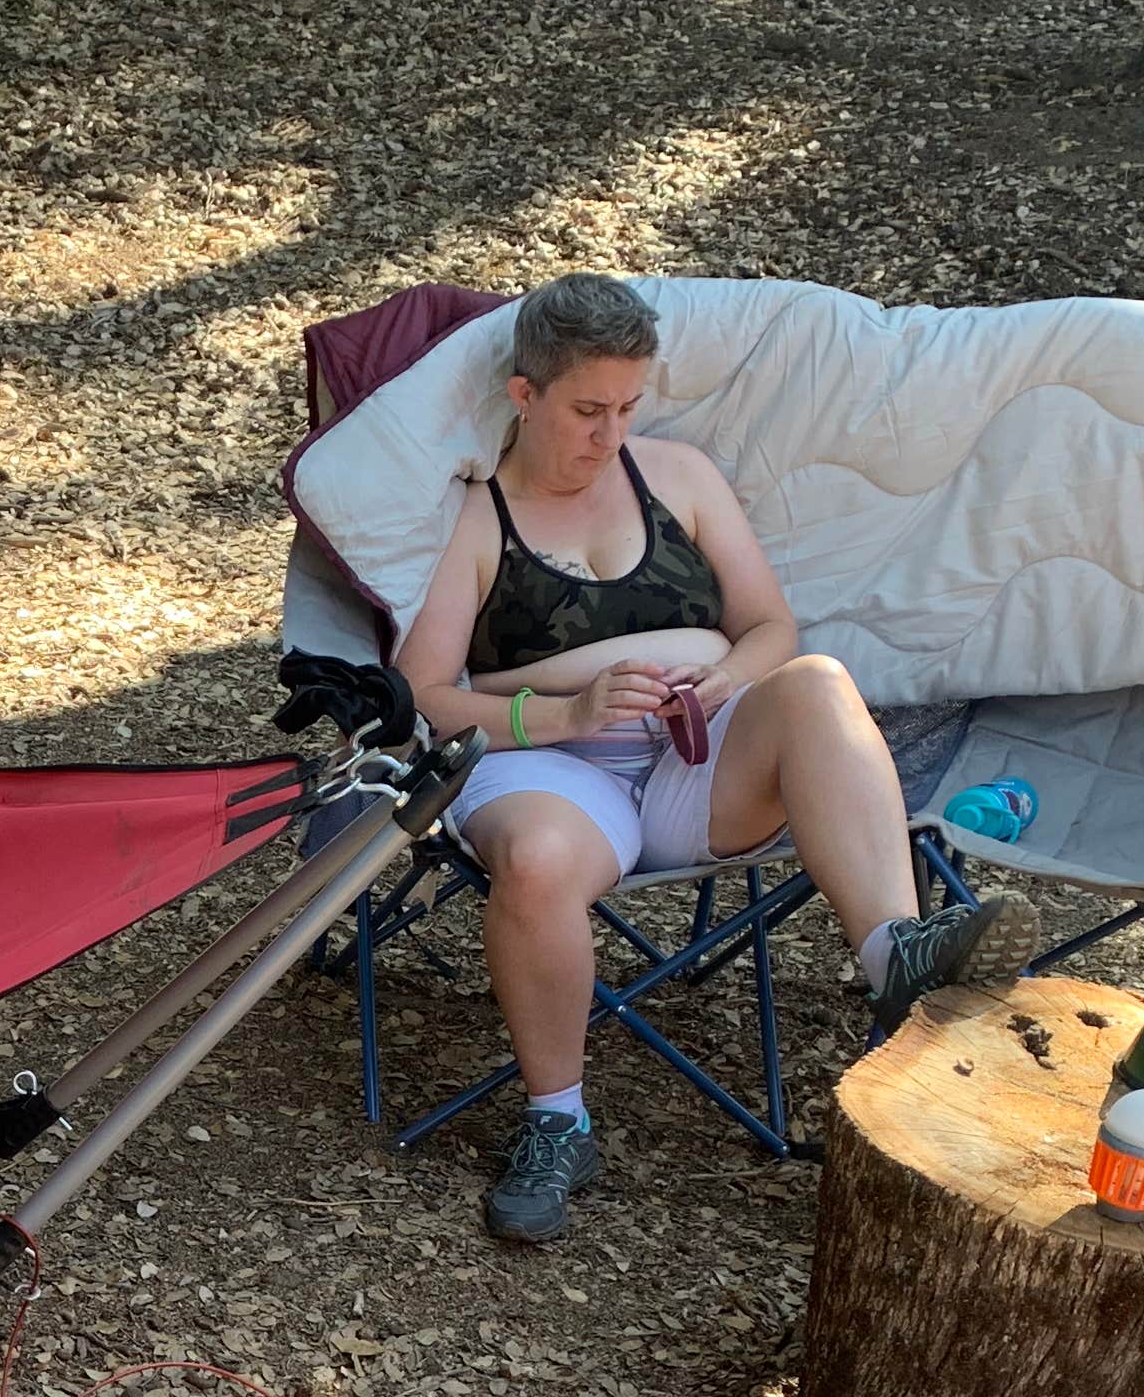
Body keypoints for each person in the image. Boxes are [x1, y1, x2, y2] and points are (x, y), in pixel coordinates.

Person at [395, 273, 1034, 1242]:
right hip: (554, 767)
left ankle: (894, 954)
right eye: (585, 410)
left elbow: (772, 623)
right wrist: (567, 712)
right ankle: (557, 1123)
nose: (608, 435)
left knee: (815, 680)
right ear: (524, 397)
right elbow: (427, 698)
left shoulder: (676, 478)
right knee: (533, 863)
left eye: (627, 408)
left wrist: (731, 678)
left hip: (699, 760)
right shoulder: (480, 519)